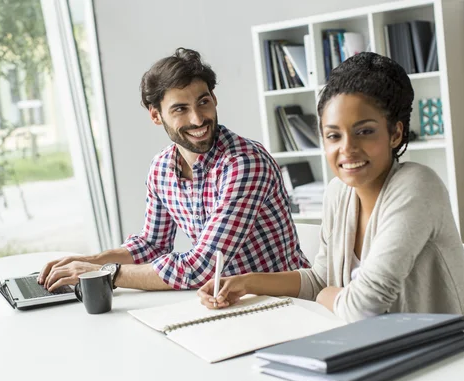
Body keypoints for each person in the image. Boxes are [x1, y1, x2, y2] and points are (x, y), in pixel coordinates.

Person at [198, 52, 464, 335]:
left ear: (395, 133)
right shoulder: (338, 193)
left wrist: (329, 296)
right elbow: (319, 281)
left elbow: (363, 307)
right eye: (333, 135)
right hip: (384, 353)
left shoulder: (417, 186)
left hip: (457, 361)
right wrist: (247, 283)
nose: (347, 148)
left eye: (364, 131)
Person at [38, 48, 310, 292]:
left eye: (203, 102)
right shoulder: (162, 169)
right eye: (180, 109)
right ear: (156, 115)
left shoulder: (245, 163)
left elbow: (201, 267)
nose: (198, 119)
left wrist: (105, 273)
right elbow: (153, 245)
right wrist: (90, 261)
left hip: (280, 300)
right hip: (221, 300)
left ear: (214, 99)